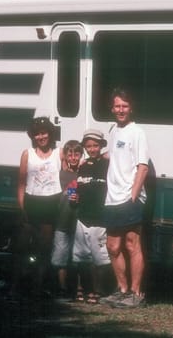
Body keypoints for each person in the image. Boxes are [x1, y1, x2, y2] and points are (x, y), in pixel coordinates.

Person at [102, 88, 149, 308]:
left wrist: (134, 194)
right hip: (112, 198)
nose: (121, 110)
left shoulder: (137, 132)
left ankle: (136, 293)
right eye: (117, 106)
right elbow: (111, 156)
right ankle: (121, 290)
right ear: (112, 108)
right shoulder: (113, 130)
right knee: (112, 247)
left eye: (125, 106)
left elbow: (143, 166)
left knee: (132, 245)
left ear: (131, 109)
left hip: (130, 198)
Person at [14, 116, 63, 297]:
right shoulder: (27, 154)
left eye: (44, 133)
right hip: (31, 202)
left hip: (51, 203)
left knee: (44, 248)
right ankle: (16, 286)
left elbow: (70, 172)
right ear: (33, 136)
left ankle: (38, 287)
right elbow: (21, 183)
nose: (41, 137)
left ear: (50, 134)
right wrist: (22, 207)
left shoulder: (60, 153)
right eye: (37, 134)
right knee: (22, 247)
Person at [72, 128, 112, 304]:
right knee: (81, 257)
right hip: (82, 216)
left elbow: (115, 153)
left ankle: (97, 290)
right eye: (88, 146)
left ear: (101, 146)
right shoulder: (81, 165)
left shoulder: (107, 164)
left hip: (100, 218)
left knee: (100, 258)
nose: (92, 149)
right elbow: (74, 184)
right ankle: (82, 289)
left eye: (96, 145)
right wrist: (73, 196)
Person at [50, 139, 83, 300]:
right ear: (65, 156)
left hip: (78, 222)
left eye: (77, 154)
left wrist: (80, 198)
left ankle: (79, 290)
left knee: (78, 258)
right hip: (61, 222)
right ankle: (62, 288)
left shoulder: (84, 173)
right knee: (61, 259)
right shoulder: (60, 174)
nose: (73, 157)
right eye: (70, 154)